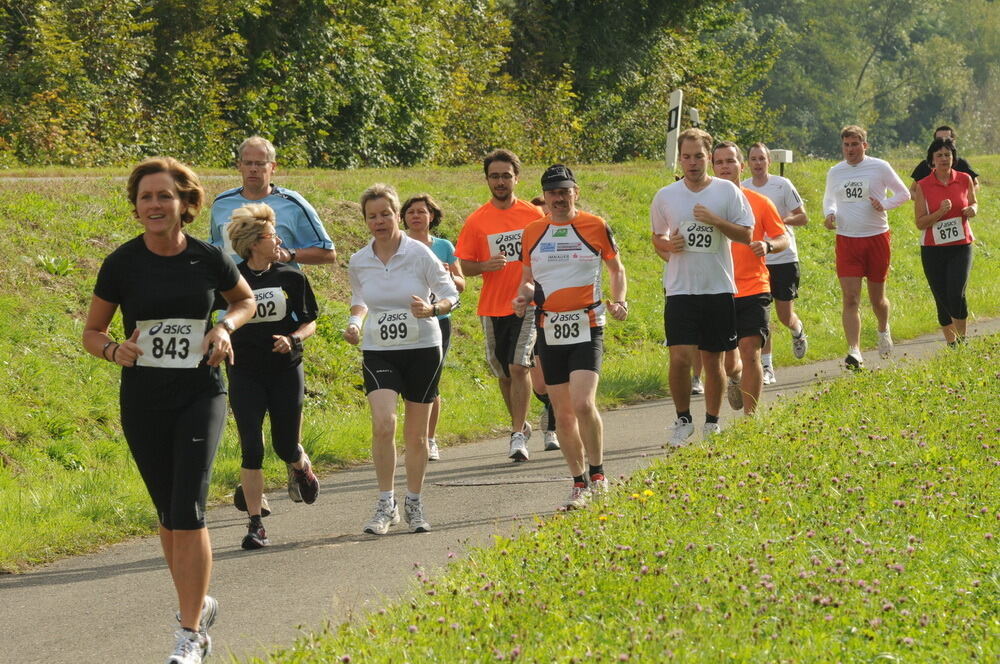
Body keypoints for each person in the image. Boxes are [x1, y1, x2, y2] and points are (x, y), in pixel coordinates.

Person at [82, 157, 255, 664]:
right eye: (145, 198)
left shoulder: (206, 258)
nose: (154, 205)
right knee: (167, 514)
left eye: (163, 196)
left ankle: (189, 634)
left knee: (189, 510)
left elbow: (243, 301)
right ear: (136, 209)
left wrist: (224, 328)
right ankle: (197, 604)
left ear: (184, 203)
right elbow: (91, 333)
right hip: (143, 398)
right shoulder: (121, 263)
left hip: (201, 393)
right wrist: (114, 350)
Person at [345, 184, 459, 535]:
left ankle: (414, 501)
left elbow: (450, 293)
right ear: (365, 221)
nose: (379, 221)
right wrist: (354, 321)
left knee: (417, 436)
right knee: (383, 423)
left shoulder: (420, 254)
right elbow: (360, 296)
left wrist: (432, 308)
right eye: (372, 216)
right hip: (379, 348)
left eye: (385, 214)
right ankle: (385, 503)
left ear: (397, 215)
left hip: (423, 347)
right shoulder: (359, 260)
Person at [513, 164, 628, 509]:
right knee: (562, 413)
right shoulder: (532, 231)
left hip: (587, 323)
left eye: (564, 191)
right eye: (552, 193)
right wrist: (522, 298)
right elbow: (528, 279)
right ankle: (578, 482)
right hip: (549, 326)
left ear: (575, 192)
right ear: (545, 198)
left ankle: (598, 474)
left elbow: (616, 268)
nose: (559, 198)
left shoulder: (595, 226)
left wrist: (619, 300)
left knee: (583, 403)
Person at [225, 203, 321, 550]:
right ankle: (255, 525)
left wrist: (293, 338)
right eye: (270, 235)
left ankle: (300, 466)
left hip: (285, 370)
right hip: (244, 371)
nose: (277, 239)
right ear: (253, 242)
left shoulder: (290, 276)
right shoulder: (232, 280)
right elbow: (215, 318)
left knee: (284, 444)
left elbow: (309, 320)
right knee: (251, 446)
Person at [650, 128, 754, 445]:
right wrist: (669, 245)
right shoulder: (666, 195)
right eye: (686, 156)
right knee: (680, 358)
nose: (692, 163)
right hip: (681, 289)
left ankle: (712, 422)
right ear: (679, 159)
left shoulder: (726, 192)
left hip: (717, 287)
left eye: (698, 156)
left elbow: (746, 235)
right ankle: (683, 420)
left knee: (713, 360)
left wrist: (716, 221)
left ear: (708, 157)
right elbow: (657, 239)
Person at [455, 150, 544, 461]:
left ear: (516, 178)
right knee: (504, 373)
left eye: (506, 175)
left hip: (527, 302)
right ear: (487, 180)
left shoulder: (533, 215)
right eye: (495, 176)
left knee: (520, 365)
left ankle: (517, 434)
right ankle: (519, 424)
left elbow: (548, 251)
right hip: (492, 307)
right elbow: (463, 266)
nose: (501, 181)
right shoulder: (477, 220)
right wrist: (485, 266)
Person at [823, 125, 910, 370]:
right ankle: (855, 351)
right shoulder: (835, 171)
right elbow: (829, 199)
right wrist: (830, 214)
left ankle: (883, 330)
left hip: (876, 238)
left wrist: (884, 204)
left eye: (854, 144)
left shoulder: (879, 167)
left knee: (877, 300)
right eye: (846, 145)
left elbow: (903, 193)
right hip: (847, 239)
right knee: (850, 299)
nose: (850, 149)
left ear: (864, 145)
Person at [712, 142, 789, 416]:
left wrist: (768, 246)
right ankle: (735, 378)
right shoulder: (703, 205)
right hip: (717, 289)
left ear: (740, 167)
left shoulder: (759, 202)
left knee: (750, 349)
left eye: (730, 161)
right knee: (730, 362)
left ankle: (750, 418)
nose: (725, 166)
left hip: (754, 285)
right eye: (719, 162)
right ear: (713, 168)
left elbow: (783, 238)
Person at [401, 194, 466, 461]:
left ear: (432, 217)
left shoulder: (444, 246)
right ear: (402, 217)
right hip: (403, 321)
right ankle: (413, 439)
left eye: (421, 212)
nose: (416, 216)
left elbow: (461, 284)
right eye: (411, 212)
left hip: (437, 321)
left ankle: (429, 439)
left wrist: (447, 274)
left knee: (431, 381)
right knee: (408, 384)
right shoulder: (398, 246)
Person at [210, 135, 337, 267]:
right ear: (239, 165)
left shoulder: (293, 204)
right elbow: (215, 250)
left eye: (260, 163)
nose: (253, 169)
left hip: (279, 285)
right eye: (248, 163)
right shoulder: (221, 204)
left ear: (273, 167)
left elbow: (328, 253)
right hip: (233, 286)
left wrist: (289, 254)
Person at [743, 143, 809, 384]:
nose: (758, 163)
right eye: (753, 159)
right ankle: (767, 367)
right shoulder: (742, 189)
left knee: (783, 315)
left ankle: (797, 330)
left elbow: (803, 217)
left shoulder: (782, 185)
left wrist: (781, 220)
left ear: (769, 161)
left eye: (762, 158)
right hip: (756, 260)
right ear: (747, 163)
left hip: (784, 258)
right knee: (763, 317)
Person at [912, 137, 978, 345]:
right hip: (933, 249)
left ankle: (962, 340)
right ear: (931, 160)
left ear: (953, 158)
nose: (944, 159)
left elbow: (974, 202)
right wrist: (940, 212)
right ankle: (952, 345)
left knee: (956, 293)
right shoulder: (923, 185)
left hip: (961, 246)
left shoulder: (964, 179)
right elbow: (920, 222)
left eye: (947, 155)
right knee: (942, 298)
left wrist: (972, 210)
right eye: (939, 155)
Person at [525, 195, 560, 452]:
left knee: (557, 376)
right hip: (533, 315)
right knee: (539, 383)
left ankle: (553, 430)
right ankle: (550, 406)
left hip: (562, 314)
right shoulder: (530, 240)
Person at [909, 126, 979, 195]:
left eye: (947, 139)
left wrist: (966, 197)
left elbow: (976, 184)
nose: (943, 142)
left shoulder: (961, 164)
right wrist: (925, 203)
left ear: (954, 141)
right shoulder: (925, 165)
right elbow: (912, 191)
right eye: (939, 139)